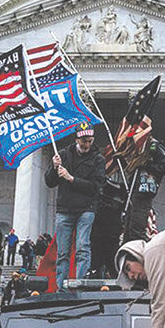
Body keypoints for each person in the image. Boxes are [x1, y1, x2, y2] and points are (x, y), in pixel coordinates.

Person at [45, 122, 105, 289]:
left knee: (82, 247)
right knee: (62, 252)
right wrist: (54, 167)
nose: (87, 144)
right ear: (77, 139)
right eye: (84, 140)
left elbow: (95, 187)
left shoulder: (98, 159)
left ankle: (80, 284)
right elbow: (50, 182)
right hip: (65, 209)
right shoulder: (63, 155)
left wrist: (71, 179)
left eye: (90, 141)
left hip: (86, 209)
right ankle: (61, 287)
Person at [122, 135, 165, 242]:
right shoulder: (136, 149)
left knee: (137, 228)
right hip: (133, 192)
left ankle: (138, 253)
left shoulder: (153, 146)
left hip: (144, 192)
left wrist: (147, 166)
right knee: (128, 228)